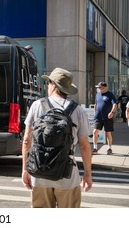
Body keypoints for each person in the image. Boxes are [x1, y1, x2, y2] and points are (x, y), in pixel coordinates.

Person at [21, 68, 92, 208]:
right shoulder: (77, 110)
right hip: (67, 176)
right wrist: (88, 174)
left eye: (48, 83)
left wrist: (25, 169)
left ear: (53, 85)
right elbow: (84, 146)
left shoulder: (37, 105)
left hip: (39, 174)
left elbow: (26, 141)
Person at [92, 82, 117, 155]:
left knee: (108, 133)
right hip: (98, 117)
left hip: (107, 117)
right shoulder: (98, 94)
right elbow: (96, 104)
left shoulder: (110, 95)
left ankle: (109, 148)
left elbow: (114, 104)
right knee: (95, 131)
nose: (99, 89)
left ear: (105, 88)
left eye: (100, 87)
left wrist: (112, 112)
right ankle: (95, 148)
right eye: (98, 88)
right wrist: (95, 113)